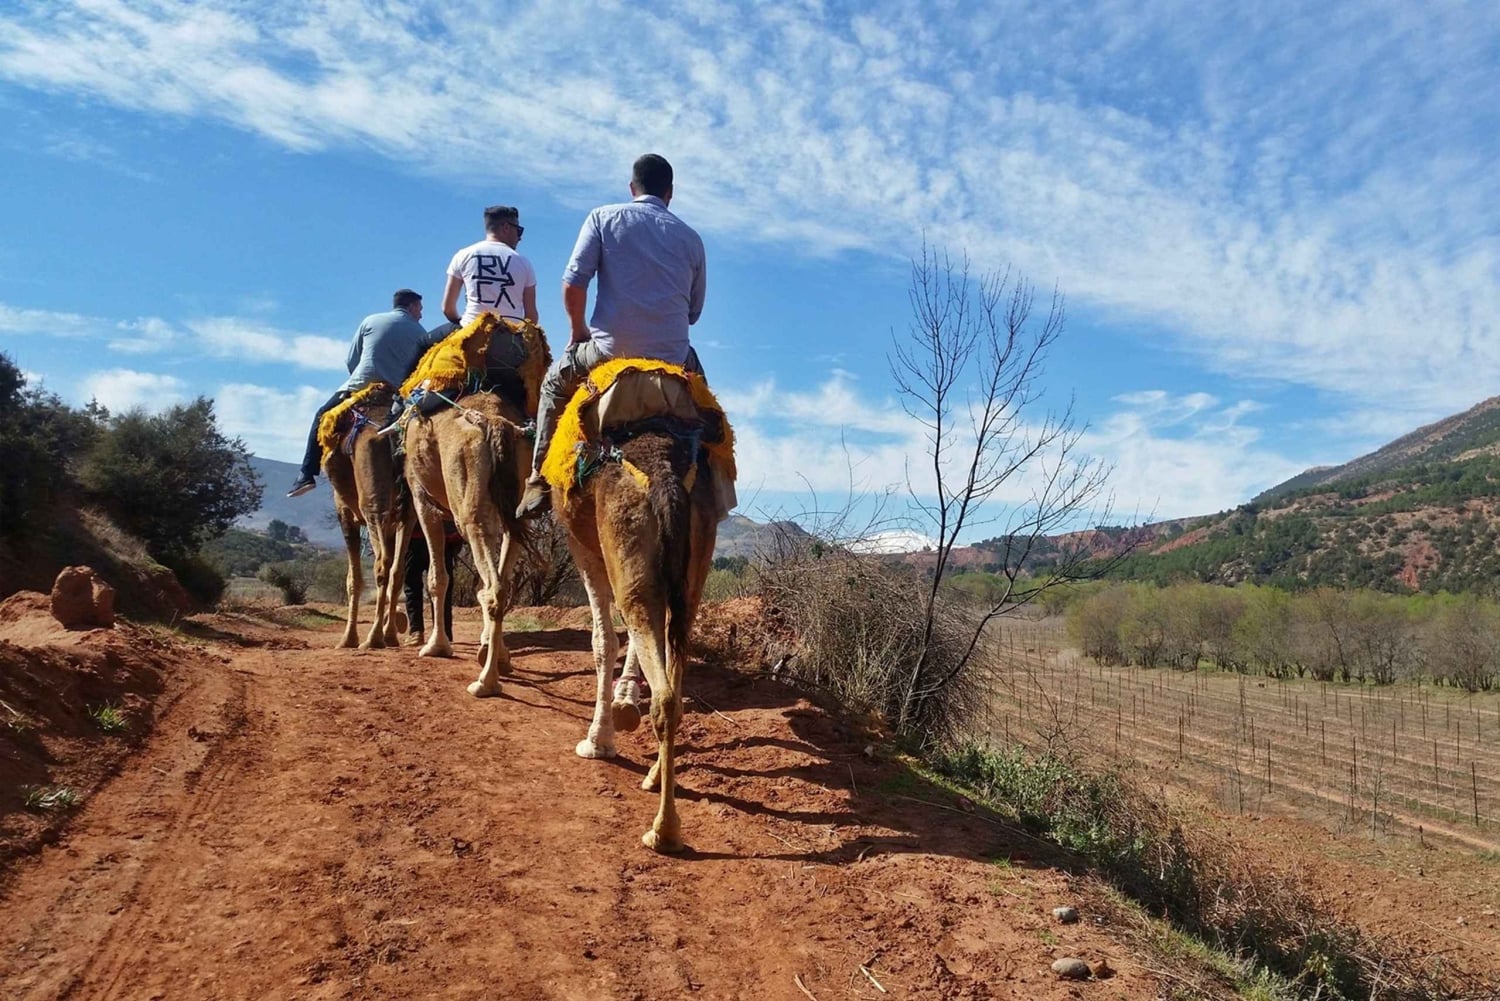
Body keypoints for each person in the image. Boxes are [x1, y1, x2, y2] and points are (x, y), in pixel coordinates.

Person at [516, 154, 707, 518]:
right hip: (673, 358)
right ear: (670, 193)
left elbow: (573, 284)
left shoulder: (603, 218)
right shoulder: (691, 239)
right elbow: (693, 314)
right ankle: (711, 480)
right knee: (707, 410)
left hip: (608, 352)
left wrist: (577, 331)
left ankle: (539, 478)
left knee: (553, 386)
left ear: (631, 187)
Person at [287, 289, 436, 497]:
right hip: (399, 393)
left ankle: (306, 475)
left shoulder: (371, 321)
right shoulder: (422, 333)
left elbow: (351, 360)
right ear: (411, 306)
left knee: (322, 416)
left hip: (360, 386)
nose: (421, 314)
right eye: (420, 309)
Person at [437, 205, 539, 387]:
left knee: (423, 344)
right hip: (510, 343)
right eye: (519, 230)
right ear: (506, 228)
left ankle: (400, 403)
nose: (520, 237)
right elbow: (531, 317)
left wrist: (460, 322)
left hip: (471, 334)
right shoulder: (524, 263)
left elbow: (447, 308)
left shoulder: (463, 255)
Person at [404, 521, 463, 643]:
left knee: (413, 587)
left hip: (420, 538)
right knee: (439, 587)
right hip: (436, 539)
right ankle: (440, 632)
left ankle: (418, 631)